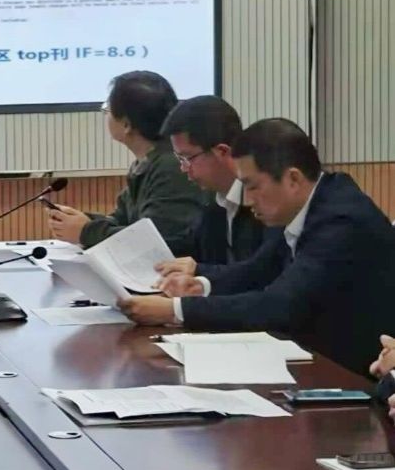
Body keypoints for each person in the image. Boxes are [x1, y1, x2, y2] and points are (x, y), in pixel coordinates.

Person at [120, 119, 395, 376]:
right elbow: (259, 270)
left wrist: (175, 310)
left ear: (293, 179)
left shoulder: (341, 221)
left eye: (252, 187)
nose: (248, 200)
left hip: (358, 378)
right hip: (316, 361)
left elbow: (280, 305)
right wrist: (199, 286)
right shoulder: (302, 206)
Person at [47, 71, 206, 256]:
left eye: (107, 109)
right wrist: (83, 221)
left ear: (126, 124)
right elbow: (124, 222)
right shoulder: (147, 161)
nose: (105, 115)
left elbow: (155, 242)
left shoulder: (171, 166)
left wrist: (85, 231)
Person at [159, 95, 267, 264]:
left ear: (222, 152)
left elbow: (256, 271)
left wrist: (199, 273)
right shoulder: (214, 204)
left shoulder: (264, 203)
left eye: (187, 158)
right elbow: (188, 247)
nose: (183, 168)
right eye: (179, 159)